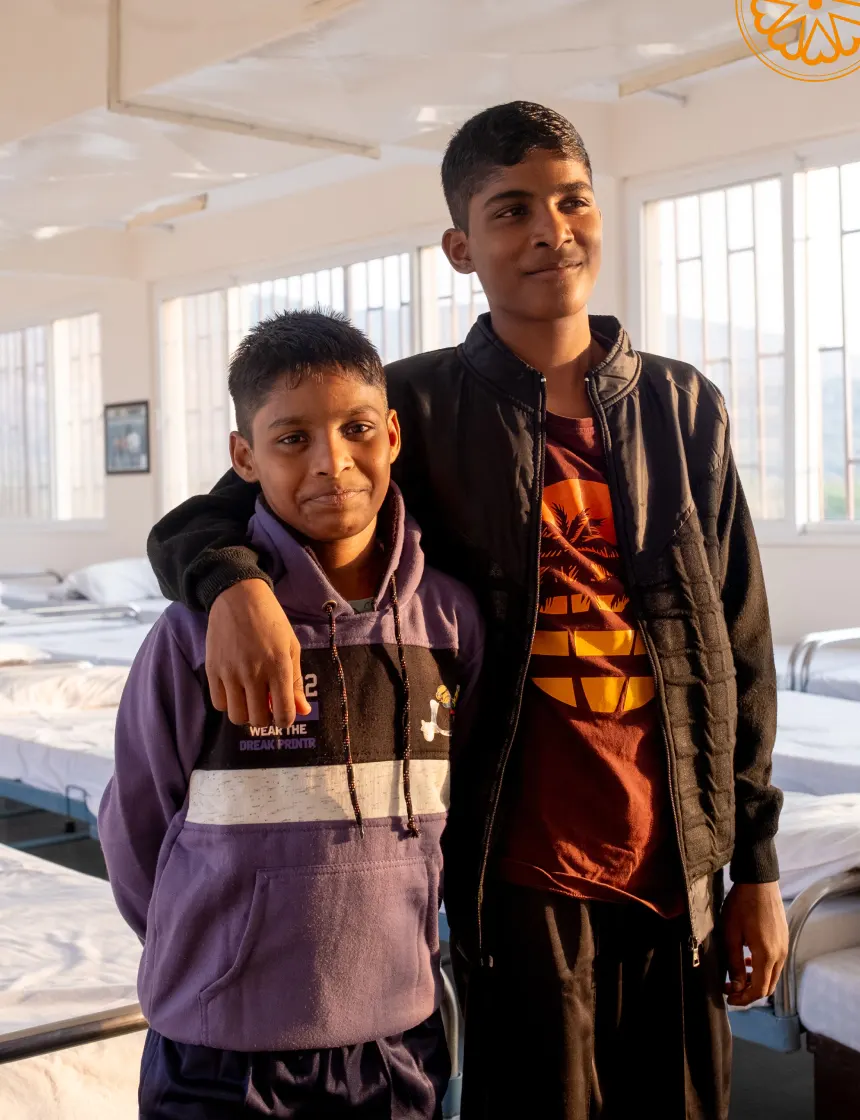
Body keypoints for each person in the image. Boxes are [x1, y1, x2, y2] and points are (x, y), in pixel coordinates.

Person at [146, 103, 789, 1119]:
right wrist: (229, 586)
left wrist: (751, 862)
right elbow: (212, 513)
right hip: (517, 869)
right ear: (461, 247)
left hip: (675, 862)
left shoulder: (682, 406)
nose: (548, 229)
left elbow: (738, 646)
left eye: (570, 200)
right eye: (510, 210)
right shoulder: (419, 409)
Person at [101, 310, 483, 1119]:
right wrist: (215, 959)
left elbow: (465, 805)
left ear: (393, 438)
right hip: (220, 1055)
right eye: (291, 439)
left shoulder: (448, 623)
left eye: (356, 430)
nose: (332, 463)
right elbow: (136, 832)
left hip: (395, 1042)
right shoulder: (199, 637)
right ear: (243, 457)